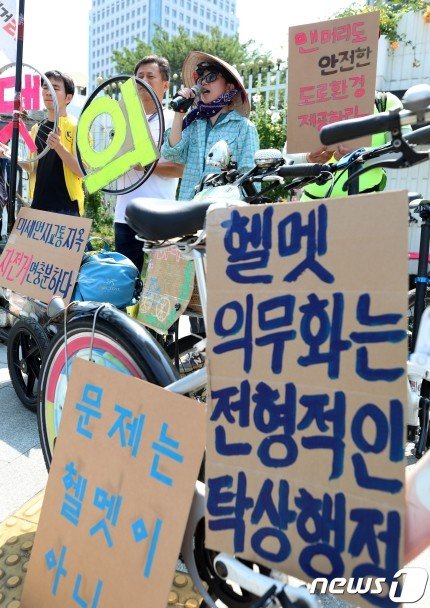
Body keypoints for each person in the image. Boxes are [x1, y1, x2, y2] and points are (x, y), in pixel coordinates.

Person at [114, 55, 183, 272]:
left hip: (161, 216)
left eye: (150, 76)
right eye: (139, 76)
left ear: (165, 85)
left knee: (161, 283)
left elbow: (180, 169)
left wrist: (146, 166)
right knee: (125, 281)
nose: (143, 81)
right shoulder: (123, 121)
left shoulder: (175, 120)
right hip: (124, 215)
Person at [161, 51, 259, 201]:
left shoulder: (244, 127)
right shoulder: (194, 124)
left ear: (228, 87)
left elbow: (250, 179)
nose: (203, 83)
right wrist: (179, 112)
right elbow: (171, 153)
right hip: (188, 207)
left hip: (222, 210)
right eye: (200, 79)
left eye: (211, 77)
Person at [284, 91, 409, 200]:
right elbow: (287, 160)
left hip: (365, 205)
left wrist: (361, 155)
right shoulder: (307, 103)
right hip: (313, 208)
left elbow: (405, 150)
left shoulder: (384, 102)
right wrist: (307, 158)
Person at [0, 70, 84, 216]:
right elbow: (32, 167)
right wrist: (10, 154)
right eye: (45, 87)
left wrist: (59, 147)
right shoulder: (36, 128)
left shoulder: (77, 127)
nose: (48, 92)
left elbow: (82, 171)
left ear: (68, 97)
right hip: (38, 205)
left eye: (55, 88)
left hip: (66, 208)